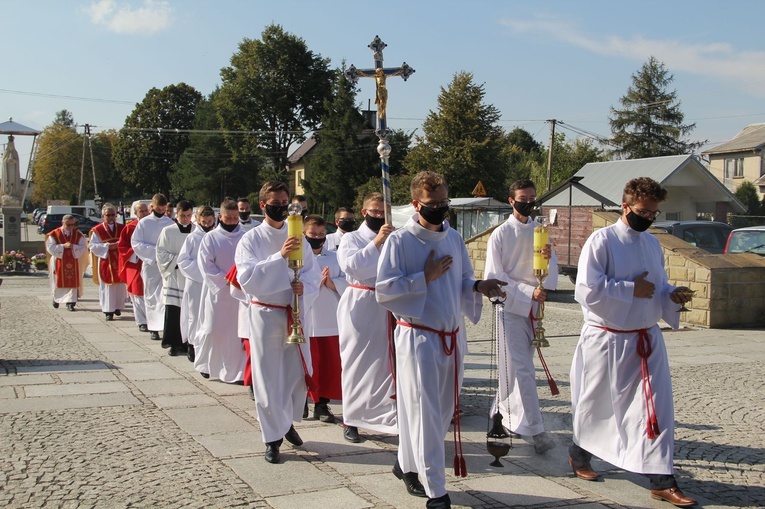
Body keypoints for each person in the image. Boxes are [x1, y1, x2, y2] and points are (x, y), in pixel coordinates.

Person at [376, 171, 506, 509]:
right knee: (425, 414)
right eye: (433, 204)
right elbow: (385, 292)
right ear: (417, 203)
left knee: (441, 412)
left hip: (452, 337)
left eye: (445, 203)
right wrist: (424, 277)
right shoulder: (400, 242)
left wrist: (479, 286)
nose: (441, 209)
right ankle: (436, 490)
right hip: (418, 338)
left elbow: (462, 282)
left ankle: (406, 464)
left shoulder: (454, 238)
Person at [569, 177, 697, 508]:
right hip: (608, 339)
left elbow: (659, 286)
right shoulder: (602, 241)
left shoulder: (652, 244)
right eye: (643, 211)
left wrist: (674, 295)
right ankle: (579, 455)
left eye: (654, 213)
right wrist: (629, 290)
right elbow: (586, 290)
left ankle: (661, 481)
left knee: (656, 410)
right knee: (597, 405)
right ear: (625, 206)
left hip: (646, 338)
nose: (649, 218)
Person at [235, 181, 320, 464]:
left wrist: (303, 288)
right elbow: (247, 279)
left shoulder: (299, 235)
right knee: (268, 377)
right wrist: (280, 256)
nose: (282, 207)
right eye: (276, 203)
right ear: (263, 205)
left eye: (286, 202)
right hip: (265, 315)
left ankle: (286, 423)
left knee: (293, 374)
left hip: (293, 313)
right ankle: (271, 438)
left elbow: (311, 272)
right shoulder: (251, 239)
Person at [484, 179, 558, 454]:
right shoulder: (501, 234)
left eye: (532, 197)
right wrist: (528, 291)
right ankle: (537, 431)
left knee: (514, 369)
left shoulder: (540, 232)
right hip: (511, 307)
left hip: (534, 309)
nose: (529, 202)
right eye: (523, 198)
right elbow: (495, 276)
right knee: (523, 369)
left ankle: (497, 416)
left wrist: (548, 260)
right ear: (511, 200)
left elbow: (549, 274)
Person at [336, 192, 396, 444]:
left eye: (383, 212)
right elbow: (352, 266)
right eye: (374, 211)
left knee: (386, 364)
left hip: (388, 303)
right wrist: (378, 242)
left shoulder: (396, 237)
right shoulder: (352, 238)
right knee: (356, 361)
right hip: (361, 302)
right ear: (364, 212)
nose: (379, 216)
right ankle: (352, 418)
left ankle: (384, 417)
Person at [195, 199, 247, 382]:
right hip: (219, 292)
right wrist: (226, 279)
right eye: (229, 218)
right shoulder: (211, 238)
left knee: (238, 333)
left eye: (235, 218)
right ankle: (208, 365)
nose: (233, 221)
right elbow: (205, 265)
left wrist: (242, 280)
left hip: (241, 293)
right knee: (213, 329)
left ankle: (238, 371)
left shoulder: (246, 236)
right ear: (220, 217)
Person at [303, 214, 348, 423]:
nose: (318, 238)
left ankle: (321, 404)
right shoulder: (297, 256)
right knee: (306, 362)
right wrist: (313, 284)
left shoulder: (334, 257)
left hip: (329, 318)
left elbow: (347, 281)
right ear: (304, 233)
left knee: (328, 364)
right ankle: (301, 401)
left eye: (322, 234)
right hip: (306, 317)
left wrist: (331, 283)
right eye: (313, 234)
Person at [131, 194, 174, 341]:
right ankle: (152, 327)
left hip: (166, 264)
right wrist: (155, 252)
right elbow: (136, 243)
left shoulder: (169, 223)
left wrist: (166, 255)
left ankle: (163, 325)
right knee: (150, 295)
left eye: (163, 208)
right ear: (152, 206)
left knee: (165, 295)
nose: (161, 211)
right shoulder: (144, 223)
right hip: (150, 264)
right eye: (158, 208)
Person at [177, 206, 216, 362]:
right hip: (196, 283)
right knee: (194, 315)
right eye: (204, 221)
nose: (207, 224)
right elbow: (183, 260)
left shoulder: (215, 236)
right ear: (198, 220)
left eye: (210, 221)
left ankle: (208, 346)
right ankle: (192, 344)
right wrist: (202, 273)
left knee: (209, 314)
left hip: (212, 283)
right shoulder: (192, 238)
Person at [156, 200, 194, 356]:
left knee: (189, 311)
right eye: (182, 215)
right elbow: (161, 253)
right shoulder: (167, 231)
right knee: (173, 310)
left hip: (190, 276)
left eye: (188, 215)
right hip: (174, 275)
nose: (185, 218)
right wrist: (179, 262)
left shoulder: (196, 232)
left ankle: (187, 343)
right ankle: (173, 343)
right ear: (175, 214)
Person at [89, 203, 127, 320]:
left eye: (113, 215)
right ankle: (108, 311)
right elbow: (93, 246)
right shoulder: (97, 230)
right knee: (108, 287)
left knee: (120, 286)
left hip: (120, 260)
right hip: (107, 261)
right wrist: (107, 247)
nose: (110, 217)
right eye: (108, 215)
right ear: (103, 216)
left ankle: (118, 307)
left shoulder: (122, 228)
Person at [118, 201, 150, 332]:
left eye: (145, 210)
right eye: (140, 211)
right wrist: (136, 252)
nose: (143, 213)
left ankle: (152, 319)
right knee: (137, 292)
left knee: (151, 292)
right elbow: (122, 247)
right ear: (135, 213)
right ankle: (142, 321)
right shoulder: (129, 228)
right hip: (135, 264)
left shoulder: (152, 225)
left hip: (151, 262)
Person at [46, 214, 87, 311]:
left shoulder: (78, 234)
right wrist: (62, 246)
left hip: (73, 259)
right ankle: (57, 299)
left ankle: (71, 303)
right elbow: (50, 247)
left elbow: (83, 247)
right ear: (62, 223)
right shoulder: (54, 234)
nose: (71, 227)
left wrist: (74, 247)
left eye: (72, 225)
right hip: (59, 259)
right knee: (58, 279)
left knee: (73, 280)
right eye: (68, 225)